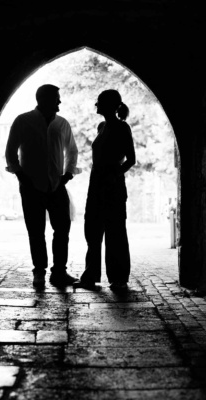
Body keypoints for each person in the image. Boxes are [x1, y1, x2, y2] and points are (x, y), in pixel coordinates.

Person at [5, 84, 80, 288]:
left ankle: (59, 272)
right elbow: (10, 151)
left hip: (57, 184)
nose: (59, 102)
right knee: (36, 230)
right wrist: (21, 175)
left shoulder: (62, 124)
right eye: (56, 98)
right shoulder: (23, 121)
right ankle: (39, 271)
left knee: (62, 228)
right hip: (31, 185)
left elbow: (71, 150)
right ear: (43, 99)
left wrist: (68, 174)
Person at [74, 89, 136, 291]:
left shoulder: (122, 128)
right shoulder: (102, 127)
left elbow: (131, 160)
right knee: (92, 230)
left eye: (99, 101)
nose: (95, 104)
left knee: (115, 232)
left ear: (110, 105)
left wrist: (114, 175)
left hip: (113, 186)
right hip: (96, 184)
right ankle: (90, 276)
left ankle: (118, 278)